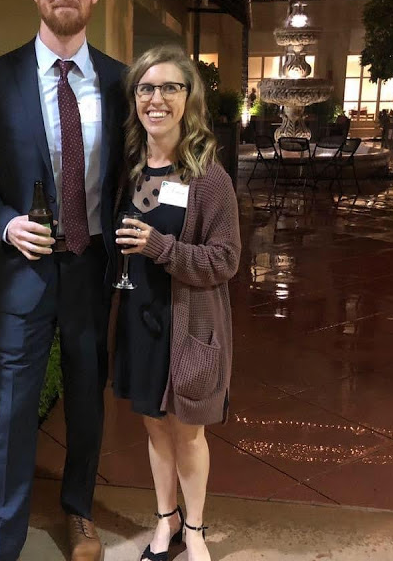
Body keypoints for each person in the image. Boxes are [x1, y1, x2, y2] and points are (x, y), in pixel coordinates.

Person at [0, 0, 126, 561]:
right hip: (21, 271)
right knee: (14, 412)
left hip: (93, 266)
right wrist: (4, 223)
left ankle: (79, 510)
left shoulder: (122, 83)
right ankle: (5, 540)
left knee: (85, 401)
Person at [111, 45, 241, 561]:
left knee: (187, 433)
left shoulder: (209, 177)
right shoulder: (129, 169)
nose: (157, 99)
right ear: (135, 98)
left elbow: (226, 259)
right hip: (139, 318)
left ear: (189, 98)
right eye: (146, 88)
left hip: (188, 324)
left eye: (170, 87)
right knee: (153, 426)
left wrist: (160, 248)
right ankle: (165, 521)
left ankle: (195, 529)